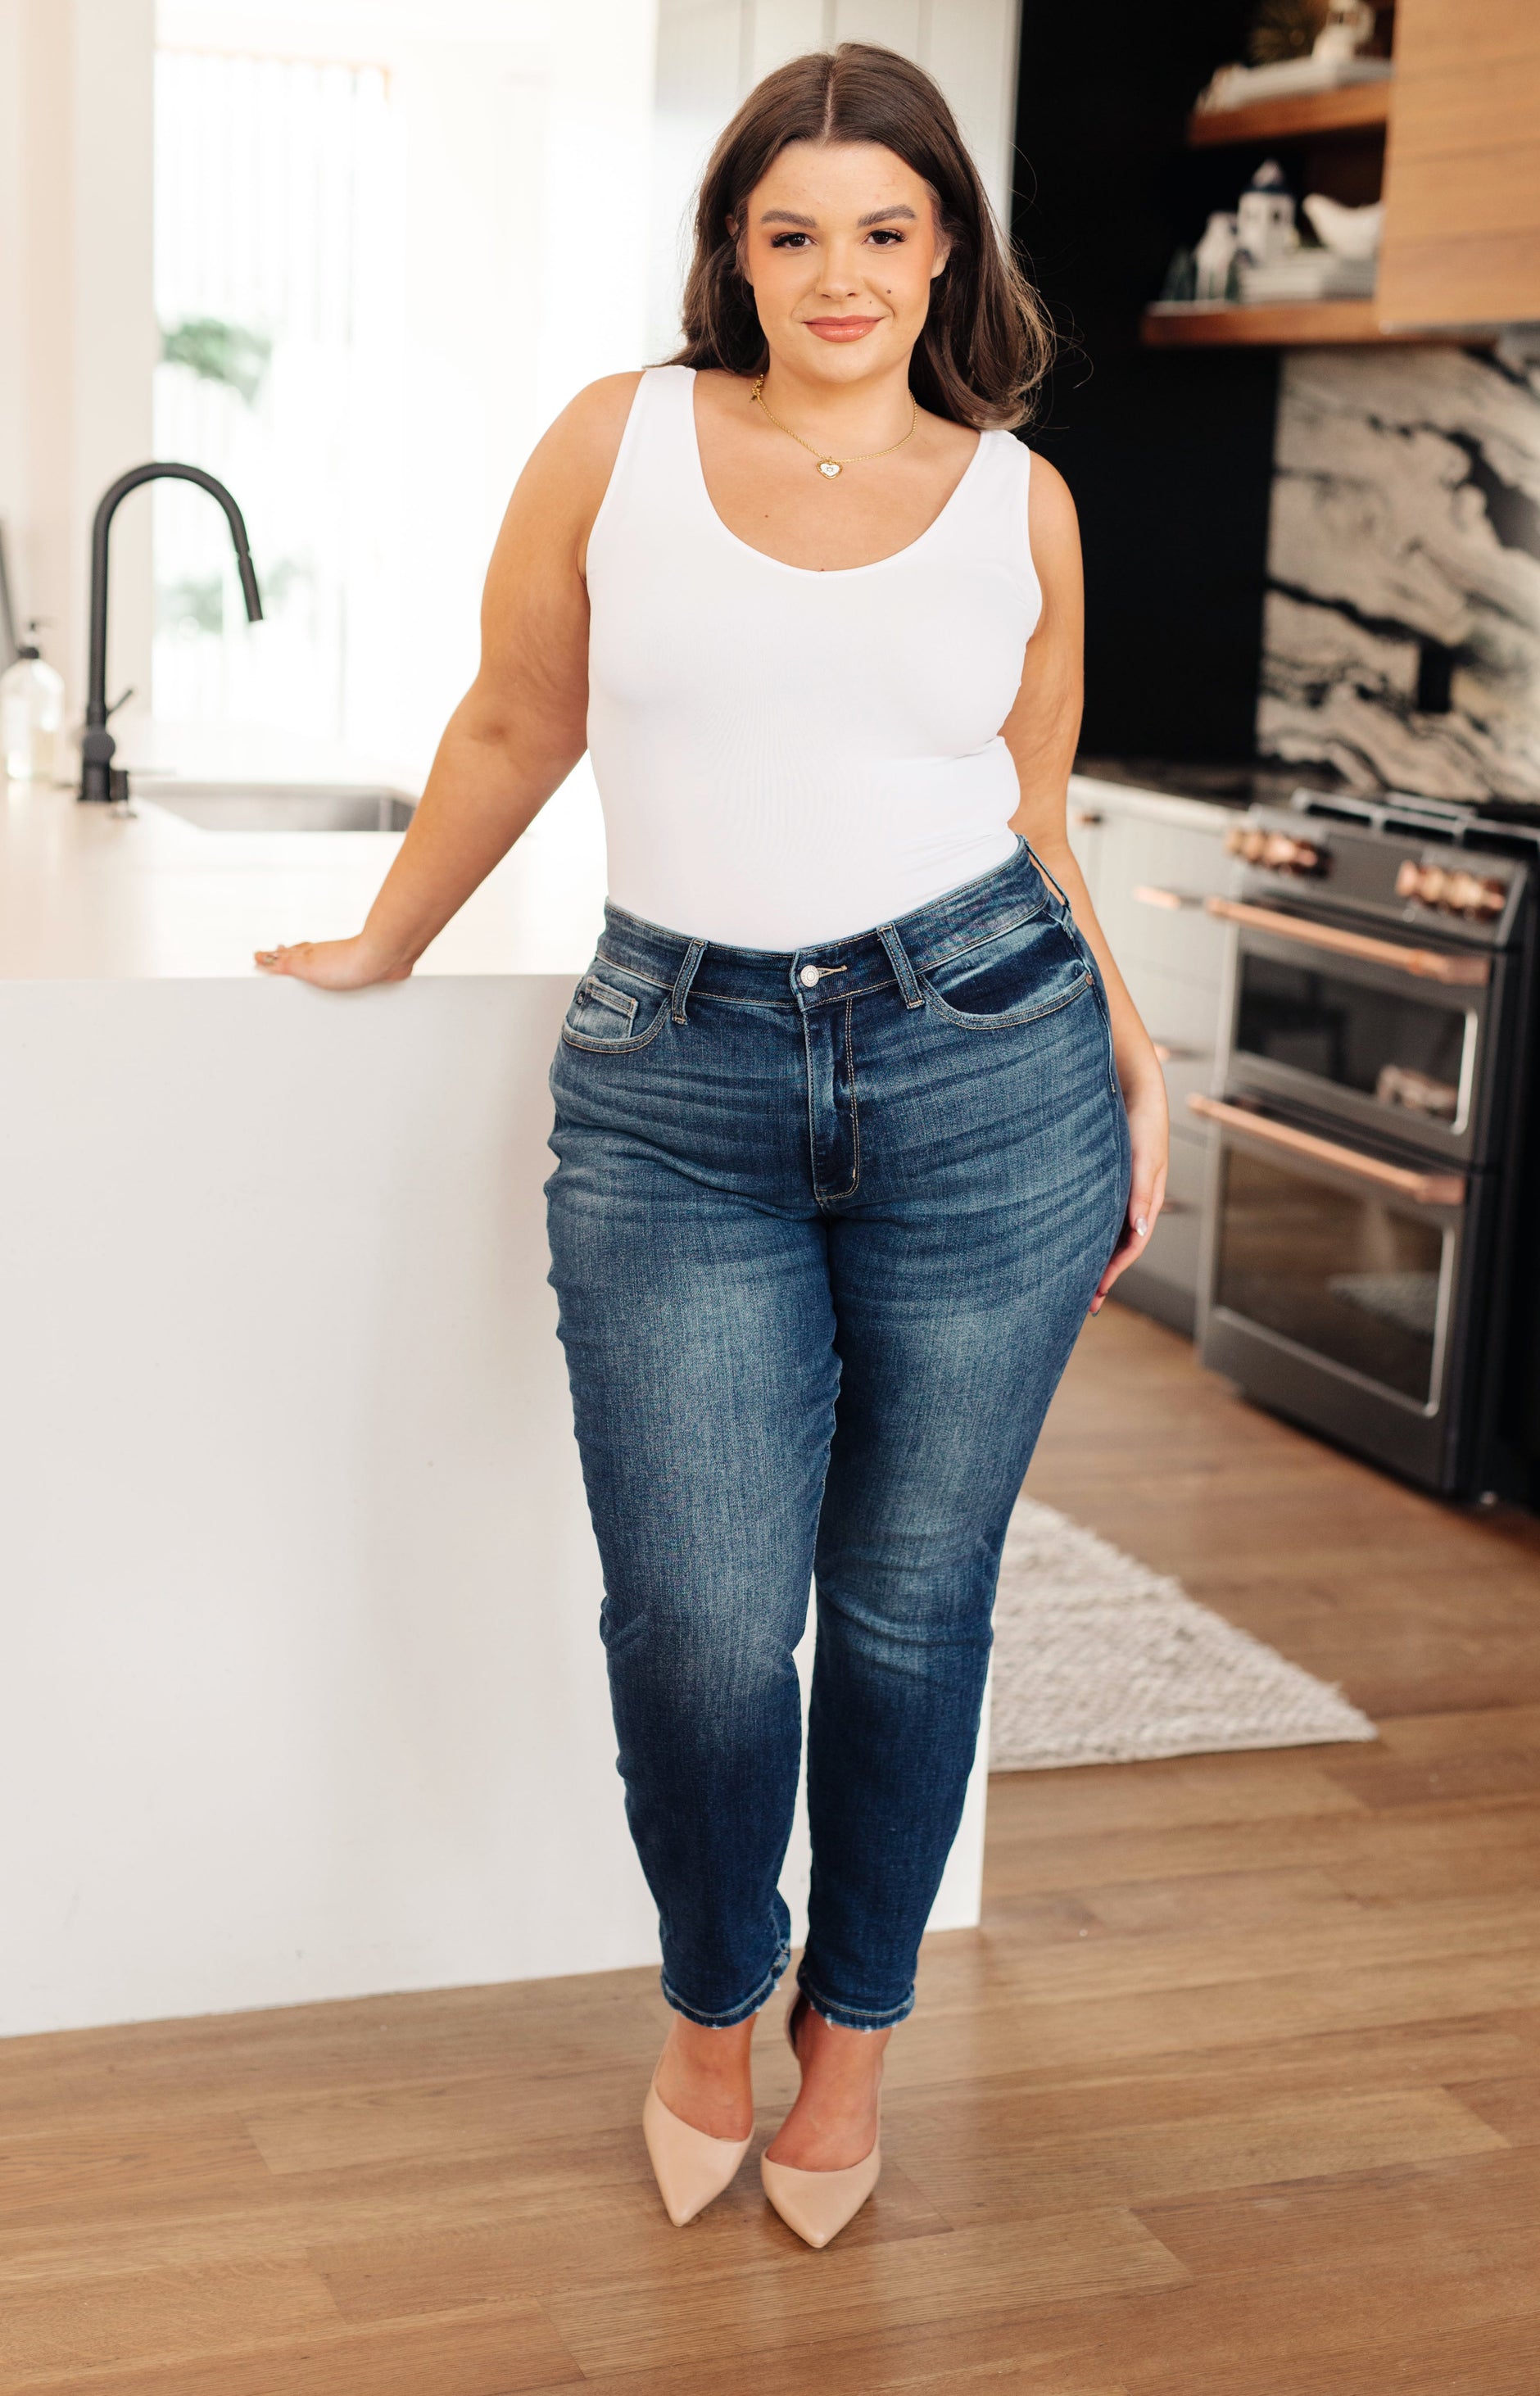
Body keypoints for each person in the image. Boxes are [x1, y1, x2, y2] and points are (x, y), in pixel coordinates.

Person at [256, 40, 1168, 2250]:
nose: (839, 275)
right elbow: (519, 717)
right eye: (792, 232)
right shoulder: (620, 439)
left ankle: (852, 2041)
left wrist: (1132, 1060)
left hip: (992, 1061)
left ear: (943, 249)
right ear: (734, 252)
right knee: (694, 1620)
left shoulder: (1021, 500)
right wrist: (388, 938)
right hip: (675, 1084)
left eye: (883, 230)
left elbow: (1035, 815)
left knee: (909, 1611)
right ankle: (708, 1997)